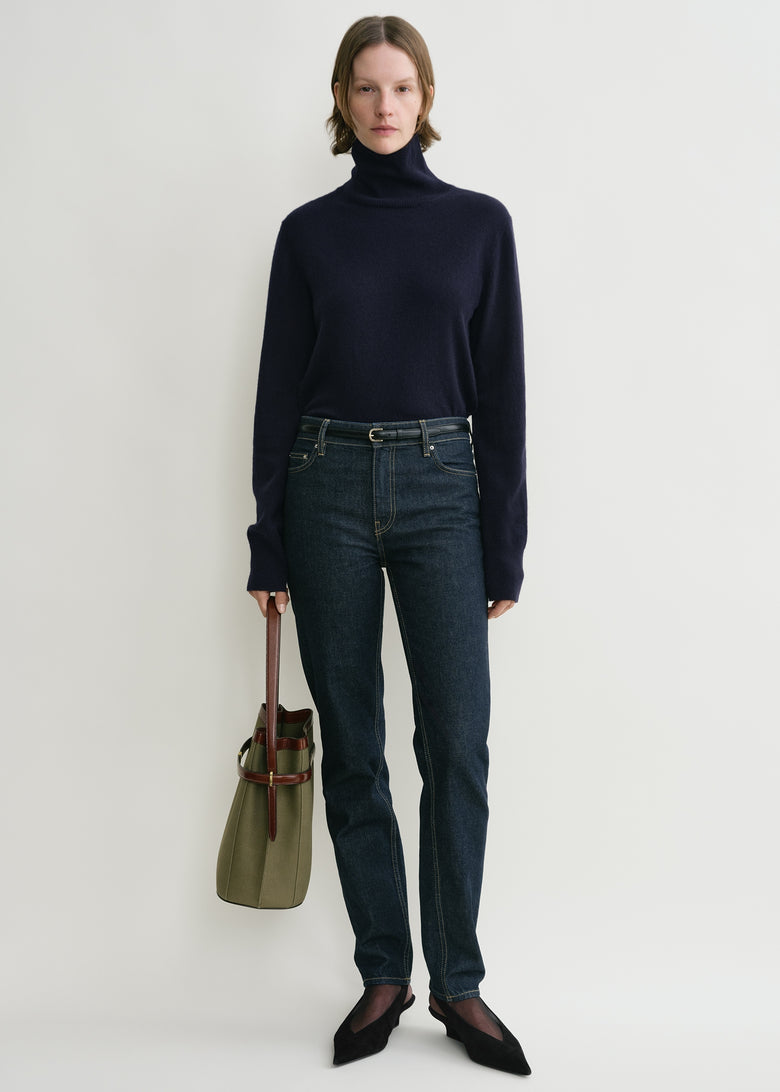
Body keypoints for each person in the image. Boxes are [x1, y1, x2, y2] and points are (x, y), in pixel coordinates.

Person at [246, 15, 531, 1076]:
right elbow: (277, 389)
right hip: (322, 485)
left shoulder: (479, 226)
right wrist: (266, 539)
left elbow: (502, 392)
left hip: (443, 490)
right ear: (340, 99)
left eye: (400, 87)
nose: (383, 105)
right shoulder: (307, 235)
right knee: (356, 746)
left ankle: (458, 981)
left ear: (425, 98)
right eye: (365, 88)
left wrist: (503, 541)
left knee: (456, 744)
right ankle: (384, 970)